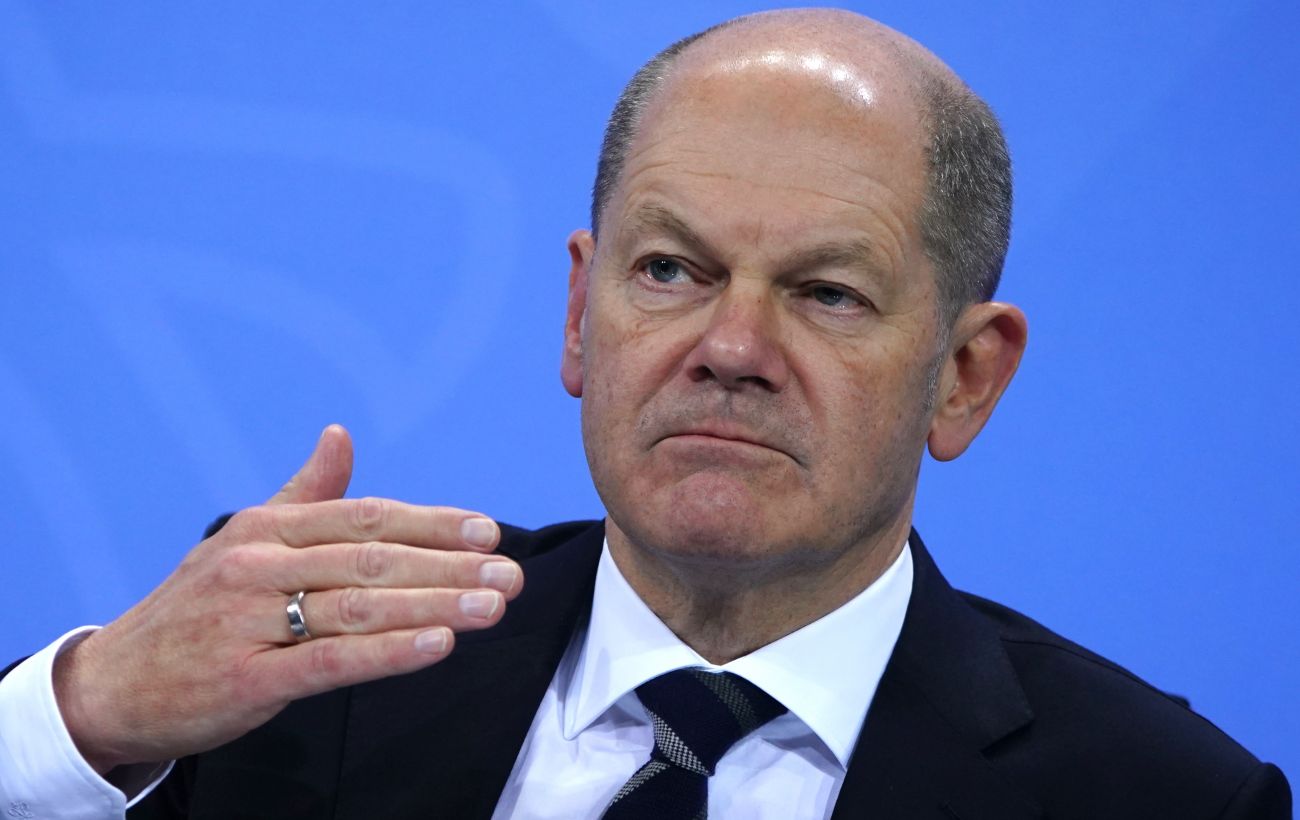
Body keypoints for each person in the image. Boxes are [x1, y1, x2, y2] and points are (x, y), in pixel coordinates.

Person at [0, 8, 1290, 819]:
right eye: (671, 270)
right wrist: (88, 714)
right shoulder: (312, 671)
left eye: (828, 293)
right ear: (580, 313)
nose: (730, 349)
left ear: (965, 376)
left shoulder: (1159, 798)